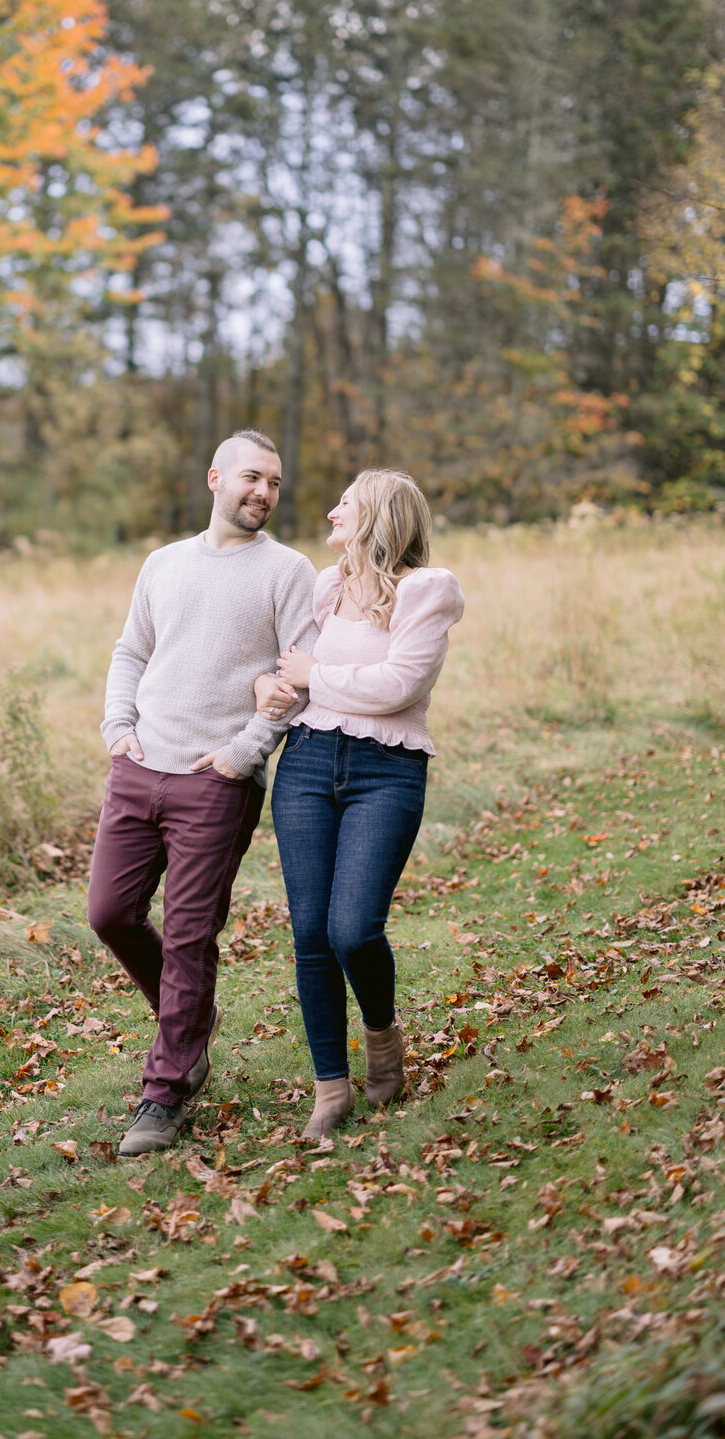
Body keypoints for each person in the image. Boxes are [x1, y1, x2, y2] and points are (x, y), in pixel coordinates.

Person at [89, 430, 317, 1157]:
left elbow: (298, 681)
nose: (264, 494)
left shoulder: (288, 571)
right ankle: (189, 1022)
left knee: (190, 935)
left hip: (216, 780)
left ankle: (166, 1091)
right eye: (253, 478)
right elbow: (132, 651)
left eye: (276, 483)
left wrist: (242, 755)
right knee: (110, 913)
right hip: (138, 766)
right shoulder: (163, 564)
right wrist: (117, 727)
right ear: (215, 477)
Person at [256, 469, 463, 1138]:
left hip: (387, 770)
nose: (329, 512)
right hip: (308, 765)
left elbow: (397, 686)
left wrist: (317, 680)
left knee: (353, 928)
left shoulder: (426, 592)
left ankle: (381, 1036)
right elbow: (288, 671)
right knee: (311, 933)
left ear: (375, 516)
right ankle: (329, 1088)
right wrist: (273, 686)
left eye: (344, 504)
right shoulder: (326, 586)